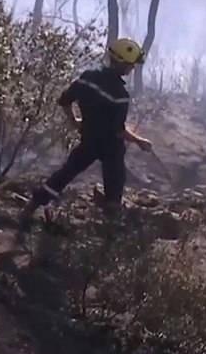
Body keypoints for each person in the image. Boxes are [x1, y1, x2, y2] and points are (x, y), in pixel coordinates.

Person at [18, 37, 153, 234]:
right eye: (131, 64)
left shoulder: (88, 78)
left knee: (65, 174)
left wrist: (74, 121)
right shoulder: (120, 95)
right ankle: (111, 232)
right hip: (110, 147)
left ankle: (30, 209)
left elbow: (65, 100)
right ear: (123, 63)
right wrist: (139, 141)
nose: (132, 68)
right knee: (114, 186)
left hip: (88, 140)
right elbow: (118, 130)